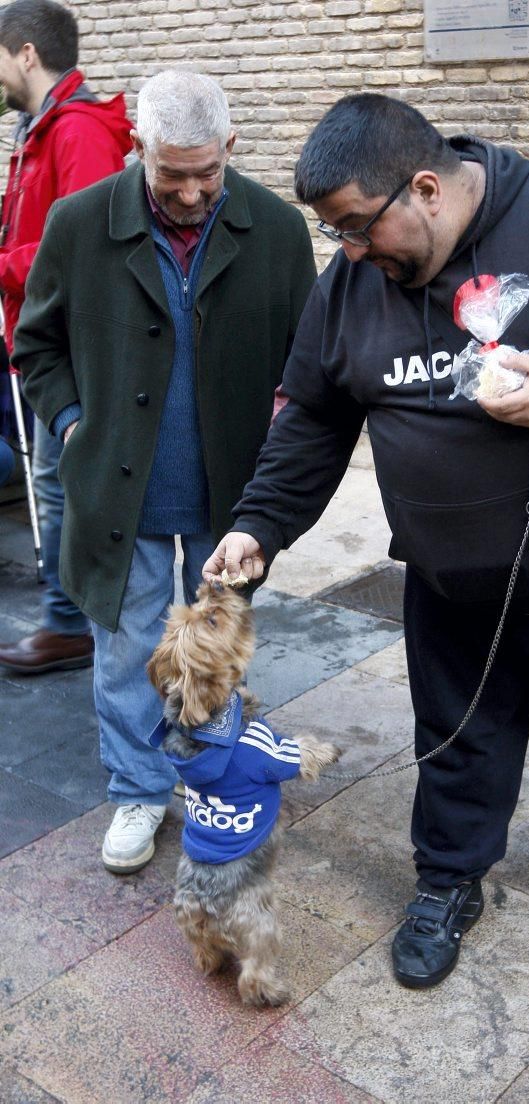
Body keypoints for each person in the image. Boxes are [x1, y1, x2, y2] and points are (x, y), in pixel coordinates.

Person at [202, 93, 529, 988]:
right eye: (337, 236)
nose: (351, 253)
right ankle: (447, 882)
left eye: (360, 228)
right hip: (454, 585)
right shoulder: (354, 284)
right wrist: (260, 523)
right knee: (456, 743)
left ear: (428, 188)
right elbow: (311, 414)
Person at [13, 69, 316, 875]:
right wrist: (75, 424)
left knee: (219, 643)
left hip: (234, 493)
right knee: (125, 647)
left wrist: (285, 451)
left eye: (206, 172)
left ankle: (215, 768)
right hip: (119, 486)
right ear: (137, 149)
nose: (188, 192)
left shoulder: (279, 233)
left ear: (232, 148)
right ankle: (140, 787)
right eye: (169, 173)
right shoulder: (80, 224)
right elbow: (34, 348)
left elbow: (307, 368)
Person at [0, 0, 132, 674]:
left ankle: (73, 622)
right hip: (39, 339)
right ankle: (72, 618)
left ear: (26, 53)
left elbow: (81, 250)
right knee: (51, 484)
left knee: (60, 486)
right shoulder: (40, 128)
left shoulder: (77, 133)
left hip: (70, 346)